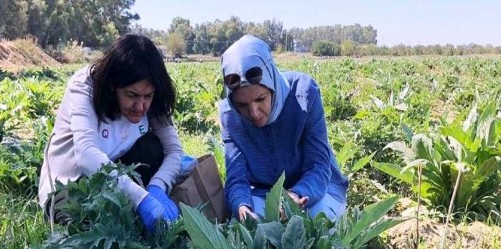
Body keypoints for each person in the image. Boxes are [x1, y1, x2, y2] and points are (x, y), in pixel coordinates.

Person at [38, 34, 183, 232]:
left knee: (152, 148)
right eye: (132, 95)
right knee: (82, 219)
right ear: (113, 85)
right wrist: (140, 200)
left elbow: (174, 151)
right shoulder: (85, 86)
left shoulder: (154, 99)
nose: (141, 106)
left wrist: (158, 186)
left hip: (114, 170)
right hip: (71, 181)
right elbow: (86, 154)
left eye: (148, 96)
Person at [219, 35, 348, 222]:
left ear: (271, 84)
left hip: (314, 189)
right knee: (245, 230)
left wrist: (296, 195)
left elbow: (319, 165)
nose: (254, 113)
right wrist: (242, 206)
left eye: (260, 99)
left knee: (318, 220)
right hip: (264, 193)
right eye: (242, 105)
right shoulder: (229, 115)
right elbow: (236, 178)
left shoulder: (304, 94)